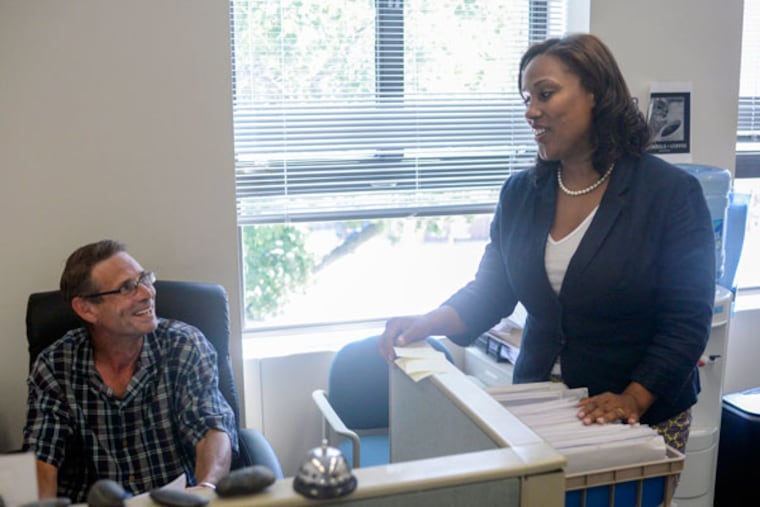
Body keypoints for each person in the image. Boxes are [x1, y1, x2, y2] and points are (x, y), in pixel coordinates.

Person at [378, 33, 715, 454]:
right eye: (526, 99)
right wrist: (427, 323)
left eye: (545, 94)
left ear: (595, 93)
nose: (531, 112)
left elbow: (687, 322)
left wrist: (634, 397)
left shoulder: (669, 194)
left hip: (637, 416)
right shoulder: (521, 193)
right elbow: (491, 290)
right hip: (538, 407)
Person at [22, 240, 238, 502]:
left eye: (145, 278)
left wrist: (206, 489)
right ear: (86, 309)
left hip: (174, 501)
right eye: (127, 287)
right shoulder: (55, 365)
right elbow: (42, 455)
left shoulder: (184, 345)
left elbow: (212, 427)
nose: (147, 293)